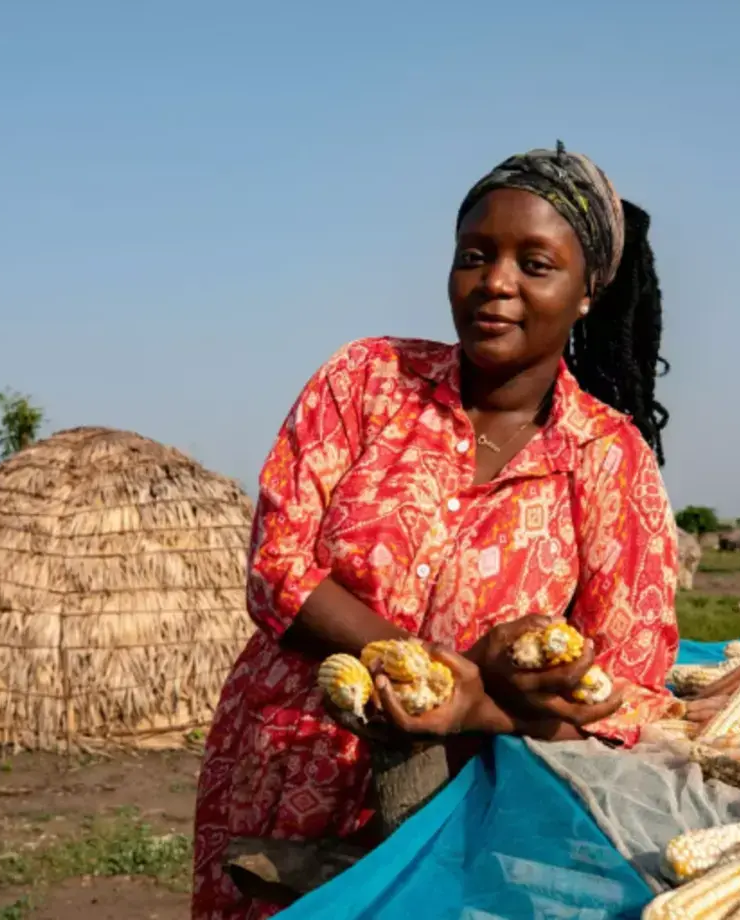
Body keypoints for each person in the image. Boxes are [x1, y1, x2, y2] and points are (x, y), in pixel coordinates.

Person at [193, 143, 690, 920]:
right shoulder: (365, 380)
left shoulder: (607, 458)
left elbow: (630, 688)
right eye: (475, 255)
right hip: (288, 766)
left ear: (587, 292)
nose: (496, 281)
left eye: (535, 263)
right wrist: (420, 666)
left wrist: (474, 709)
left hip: (462, 815)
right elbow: (277, 566)